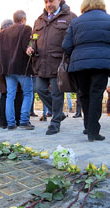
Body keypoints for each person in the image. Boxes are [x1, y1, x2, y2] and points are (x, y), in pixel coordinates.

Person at [62, 0, 110, 141]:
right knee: (96, 94)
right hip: (102, 61)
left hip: (80, 63)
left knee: (84, 94)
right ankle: (93, 131)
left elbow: (66, 45)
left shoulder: (76, 22)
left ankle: (88, 127)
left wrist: (74, 56)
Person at [26, 0, 77, 135]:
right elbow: (33, 38)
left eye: (51, 1)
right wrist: (30, 47)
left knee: (56, 93)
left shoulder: (70, 17)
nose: (49, 4)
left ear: (59, 1)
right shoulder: (39, 20)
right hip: (40, 63)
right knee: (39, 89)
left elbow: (76, 39)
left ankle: (55, 123)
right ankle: (58, 113)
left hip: (59, 63)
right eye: (46, 1)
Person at [0, 10, 34, 130]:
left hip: (7, 69)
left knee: (10, 95)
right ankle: (24, 121)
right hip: (22, 68)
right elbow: (25, 47)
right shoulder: (26, 29)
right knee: (28, 93)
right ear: (23, 19)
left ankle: (11, 123)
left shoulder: (3, 33)